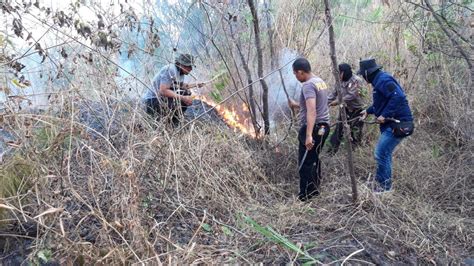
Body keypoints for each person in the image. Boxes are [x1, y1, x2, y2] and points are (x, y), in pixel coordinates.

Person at [358, 58, 414, 193]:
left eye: (363, 75)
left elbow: (398, 96)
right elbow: (381, 103)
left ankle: (384, 188)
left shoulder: (383, 80)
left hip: (398, 124)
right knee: (385, 153)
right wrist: (368, 111)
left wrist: (385, 115)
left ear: (367, 74)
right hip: (393, 123)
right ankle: (382, 183)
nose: (363, 78)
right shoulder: (379, 81)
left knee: (381, 153)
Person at [289, 58, 330, 201]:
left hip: (313, 128)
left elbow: (312, 111)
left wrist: (308, 135)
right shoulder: (320, 82)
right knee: (314, 159)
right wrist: (296, 105)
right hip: (324, 127)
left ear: (300, 72)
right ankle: (314, 191)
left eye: (295, 74)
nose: (296, 77)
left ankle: (304, 196)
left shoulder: (307, 85)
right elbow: (315, 106)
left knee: (305, 163)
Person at [142, 53, 204, 126]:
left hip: (161, 99)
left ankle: (174, 120)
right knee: (183, 97)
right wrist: (184, 98)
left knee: (186, 93)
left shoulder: (180, 73)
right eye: (189, 66)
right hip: (152, 101)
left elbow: (179, 86)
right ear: (181, 65)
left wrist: (195, 85)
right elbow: (163, 91)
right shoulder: (170, 70)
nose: (191, 69)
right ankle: (169, 121)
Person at [327, 63, 366, 155]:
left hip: (358, 111)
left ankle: (355, 153)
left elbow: (352, 95)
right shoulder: (338, 81)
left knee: (355, 132)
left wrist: (337, 102)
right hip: (345, 109)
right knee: (338, 130)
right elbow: (333, 94)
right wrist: (325, 102)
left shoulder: (356, 80)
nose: (336, 75)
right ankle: (331, 152)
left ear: (344, 72)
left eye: (339, 73)